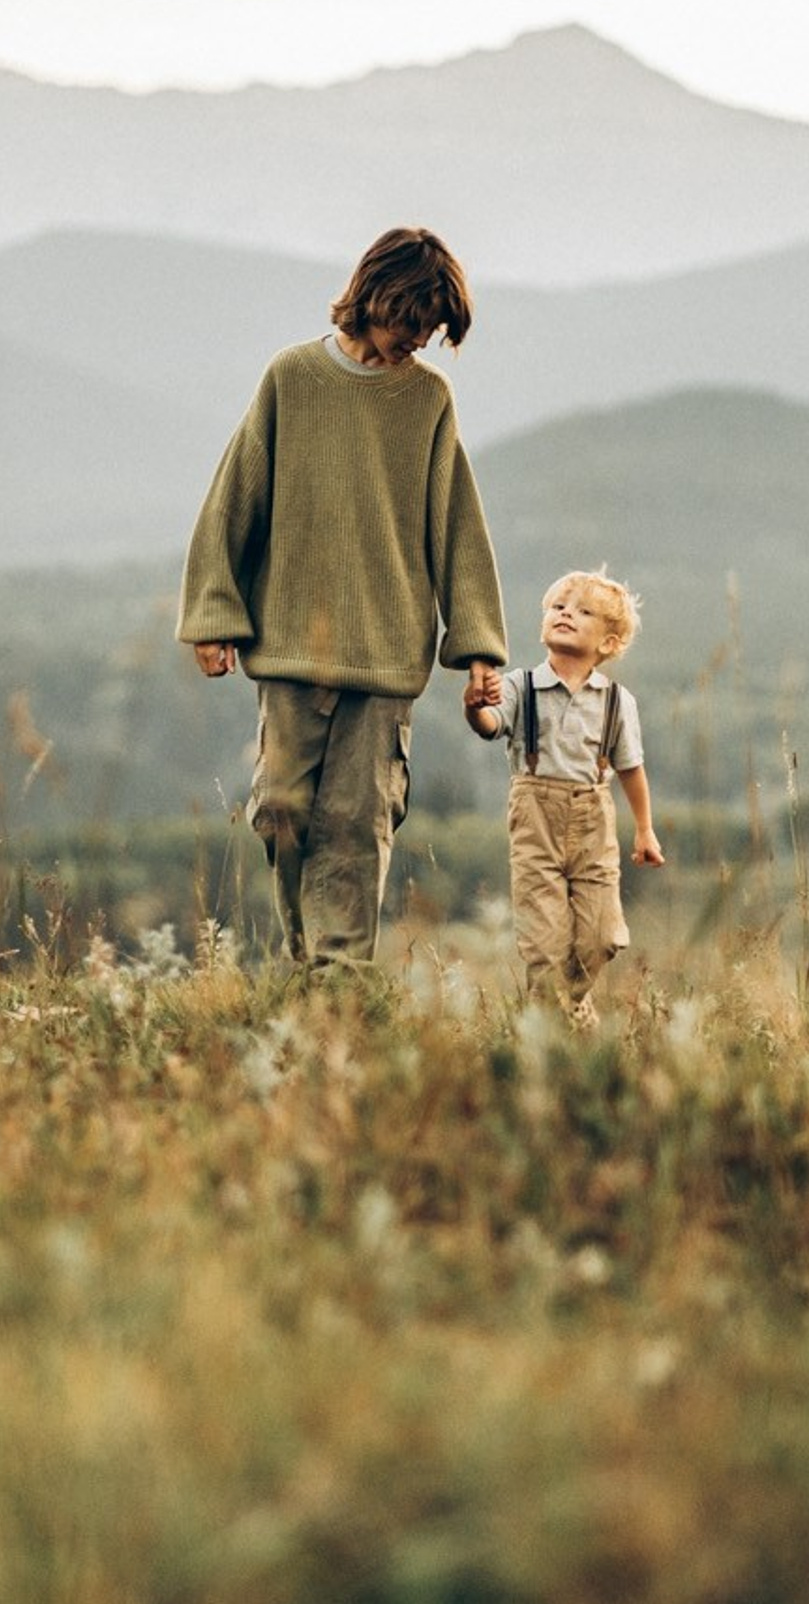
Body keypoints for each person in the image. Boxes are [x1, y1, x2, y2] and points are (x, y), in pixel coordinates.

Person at [179, 226, 506, 969]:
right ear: (374, 296)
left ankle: (340, 976)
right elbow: (234, 496)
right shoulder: (292, 377)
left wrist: (478, 646)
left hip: (387, 652)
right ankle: (308, 958)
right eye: (410, 321)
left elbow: (457, 521)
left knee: (358, 821)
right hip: (290, 643)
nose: (417, 340)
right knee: (281, 811)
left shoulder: (428, 399)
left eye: (430, 330)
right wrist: (213, 613)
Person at [467, 567, 664, 1022]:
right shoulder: (519, 686)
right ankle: (551, 1029)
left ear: (609, 643)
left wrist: (645, 830)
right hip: (535, 823)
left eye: (583, 611)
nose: (566, 614)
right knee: (545, 943)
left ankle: (567, 1003)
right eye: (557, 607)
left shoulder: (617, 701)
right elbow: (490, 725)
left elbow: (631, 768)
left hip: (594, 823)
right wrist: (475, 707)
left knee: (603, 936)